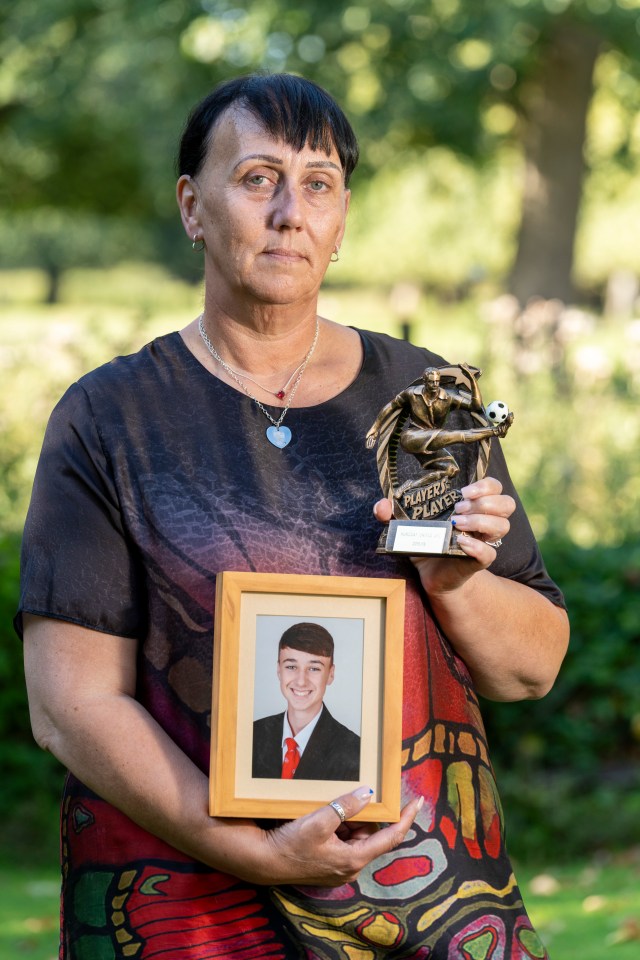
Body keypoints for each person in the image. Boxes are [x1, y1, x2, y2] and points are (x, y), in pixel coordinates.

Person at [18, 73, 569, 959]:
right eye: (257, 179)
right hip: (183, 914)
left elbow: (529, 670)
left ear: (342, 218)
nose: (290, 213)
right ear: (192, 207)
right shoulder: (110, 417)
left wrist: (453, 577)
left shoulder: (429, 402)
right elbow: (71, 704)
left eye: (317, 185)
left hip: (424, 907)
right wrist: (254, 852)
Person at [252, 622, 361, 781]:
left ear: (330, 674)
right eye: (291, 667)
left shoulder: (354, 751)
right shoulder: (252, 735)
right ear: (278, 670)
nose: (301, 681)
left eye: (314, 668)